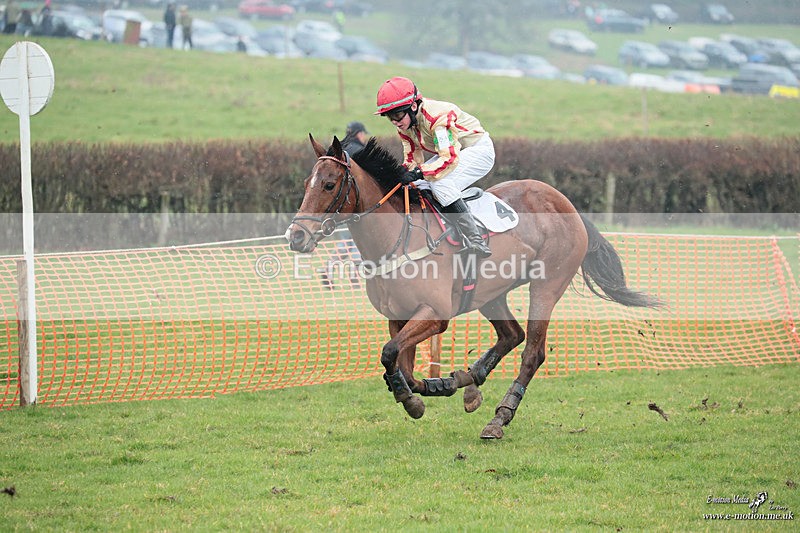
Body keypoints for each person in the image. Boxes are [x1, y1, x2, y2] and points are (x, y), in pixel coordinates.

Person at [374, 76, 493, 258]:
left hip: (477, 150)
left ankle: (475, 239)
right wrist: (400, 174)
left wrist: (420, 172)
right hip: (455, 152)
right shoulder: (406, 125)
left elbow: (449, 158)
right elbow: (412, 159)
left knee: (439, 184)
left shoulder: (437, 117)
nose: (395, 121)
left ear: (413, 106)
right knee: (416, 185)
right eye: (390, 117)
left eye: (398, 114)